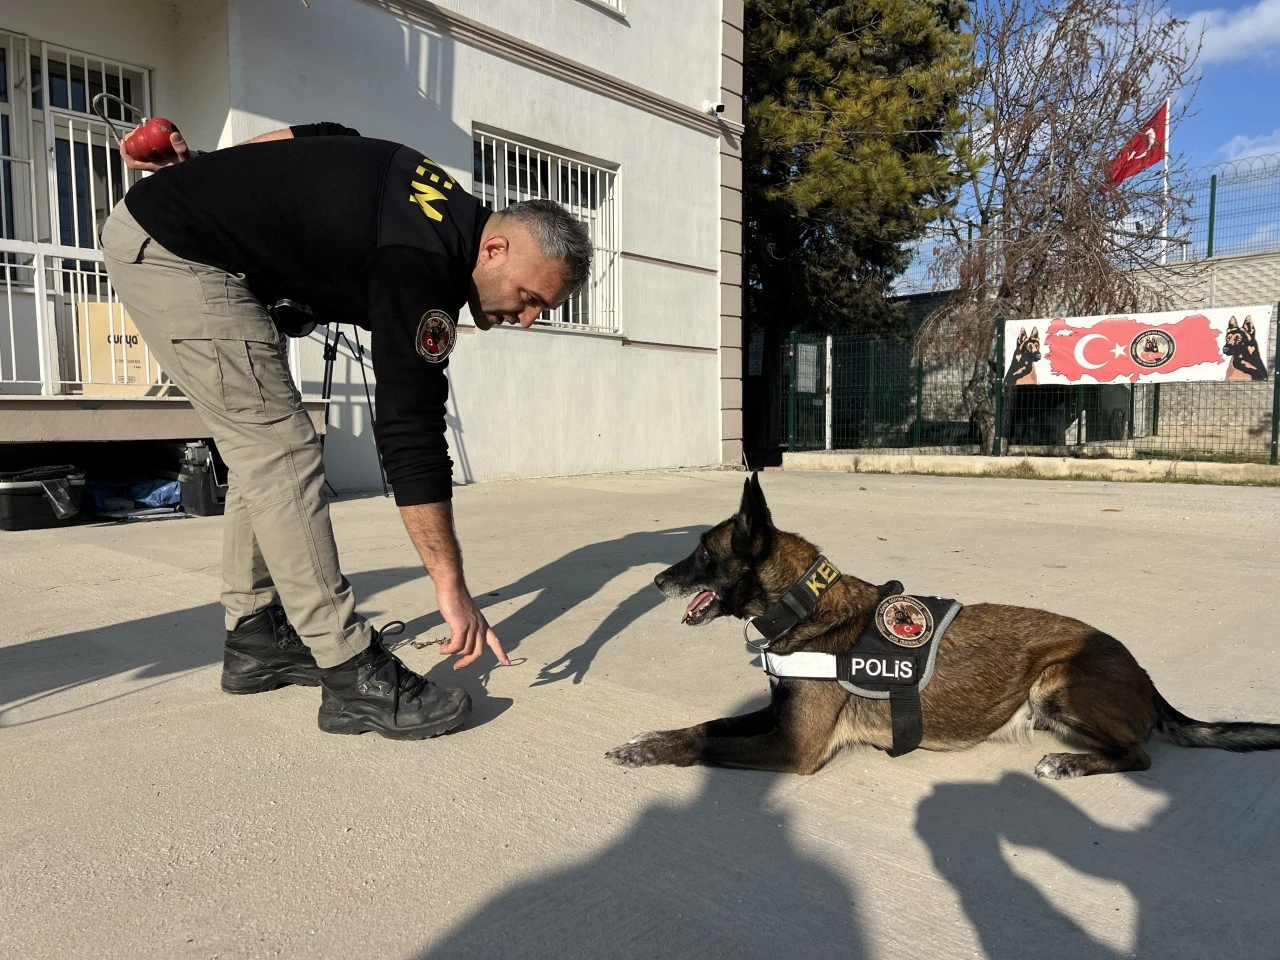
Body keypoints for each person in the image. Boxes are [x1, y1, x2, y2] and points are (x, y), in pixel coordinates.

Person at [101, 121, 592, 741]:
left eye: (541, 309)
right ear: (494, 249)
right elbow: (410, 431)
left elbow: (327, 134)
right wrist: (451, 586)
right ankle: (350, 670)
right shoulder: (422, 263)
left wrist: (208, 166)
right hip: (177, 253)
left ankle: (256, 636)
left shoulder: (433, 192)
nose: (526, 318)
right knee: (279, 449)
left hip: (186, 238)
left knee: (268, 447)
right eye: (529, 297)